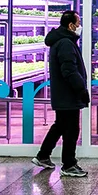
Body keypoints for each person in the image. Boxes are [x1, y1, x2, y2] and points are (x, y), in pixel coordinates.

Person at [32, 10, 89, 177]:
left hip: (64, 94)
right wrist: (81, 89)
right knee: (71, 130)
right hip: (68, 94)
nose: (79, 27)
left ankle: (43, 155)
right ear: (70, 25)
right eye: (78, 24)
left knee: (61, 126)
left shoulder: (63, 41)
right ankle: (69, 164)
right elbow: (69, 70)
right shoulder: (65, 43)